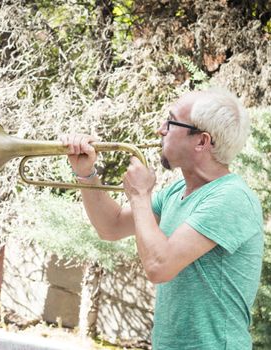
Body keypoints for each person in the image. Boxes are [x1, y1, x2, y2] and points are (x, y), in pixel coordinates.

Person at [61, 88, 263, 350]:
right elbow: (110, 226)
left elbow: (159, 266)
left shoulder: (231, 198)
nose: (160, 129)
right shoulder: (178, 192)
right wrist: (86, 174)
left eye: (170, 121)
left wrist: (141, 195)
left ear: (202, 141)